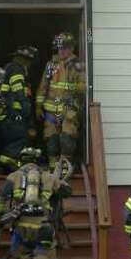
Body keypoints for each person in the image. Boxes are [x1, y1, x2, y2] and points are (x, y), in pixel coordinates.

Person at [0, 147, 71, 259]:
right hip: (43, 227)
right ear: (37, 162)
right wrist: (59, 182)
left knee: (22, 255)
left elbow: (1, 196)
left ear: (21, 161)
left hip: (19, 227)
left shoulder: (13, 177)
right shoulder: (48, 177)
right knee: (45, 254)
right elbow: (68, 191)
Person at [36, 33, 86, 178]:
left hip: (68, 109)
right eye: (59, 48)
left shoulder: (78, 65)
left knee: (67, 139)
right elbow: (43, 86)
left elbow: (83, 88)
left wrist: (74, 89)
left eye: (64, 48)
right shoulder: (51, 65)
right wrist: (38, 106)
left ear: (71, 48)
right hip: (51, 110)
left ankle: (64, 170)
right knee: (51, 140)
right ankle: (53, 170)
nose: (61, 51)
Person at [0, 45, 38, 172]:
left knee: (12, 142)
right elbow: (19, 92)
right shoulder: (17, 70)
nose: (29, 64)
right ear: (24, 59)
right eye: (28, 60)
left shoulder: (7, 69)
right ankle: (7, 164)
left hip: (4, 115)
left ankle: (7, 166)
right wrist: (27, 110)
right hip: (13, 115)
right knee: (21, 139)